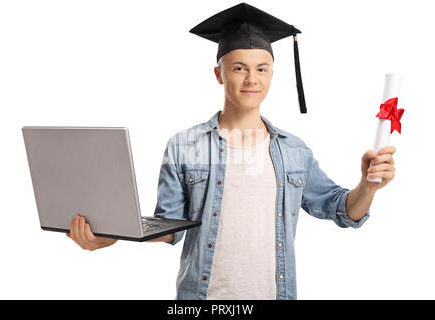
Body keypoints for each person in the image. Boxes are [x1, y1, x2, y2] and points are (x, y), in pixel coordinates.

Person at [66, 3, 396, 300]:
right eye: (239, 67)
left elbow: (342, 210)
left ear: (271, 74)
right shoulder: (185, 146)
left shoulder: (295, 150)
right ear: (219, 74)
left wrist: (368, 186)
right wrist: (112, 236)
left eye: (262, 68)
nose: (252, 78)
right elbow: (169, 227)